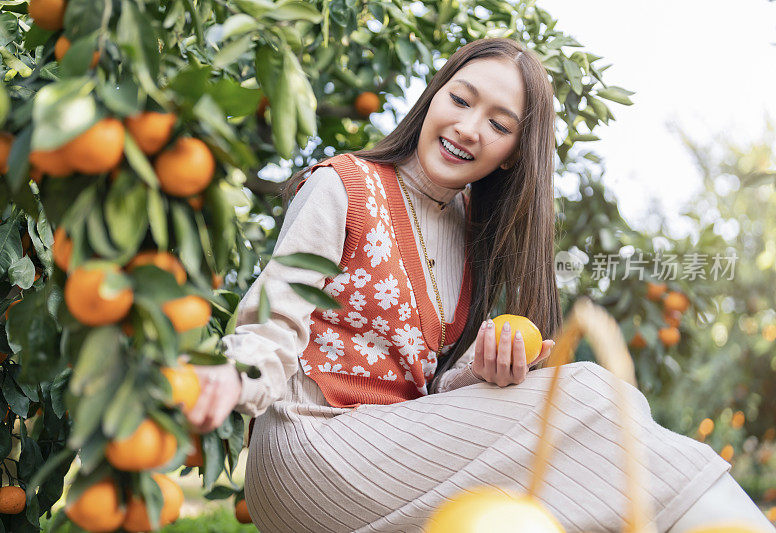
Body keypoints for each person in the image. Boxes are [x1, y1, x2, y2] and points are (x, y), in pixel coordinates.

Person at [185, 38, 774, 532]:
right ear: (432, 97)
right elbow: (276, 318)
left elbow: (428, 388)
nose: (468, 128)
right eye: (460, 100)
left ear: (515, 154)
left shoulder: (472, 233)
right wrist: (232, 378)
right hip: (309, 448)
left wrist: (481, 373)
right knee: (590, 394)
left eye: (497, 123)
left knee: (571, 456)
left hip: (390, 457)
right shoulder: (345, 186)